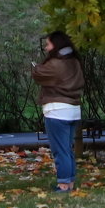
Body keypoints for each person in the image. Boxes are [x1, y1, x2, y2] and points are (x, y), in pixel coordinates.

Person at [31, 31, 85, 193]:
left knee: (60, 150)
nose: (46, 48)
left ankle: (63, 185)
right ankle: (69, 183)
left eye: (48, 44)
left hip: (57, 111)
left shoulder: (55, 64)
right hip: (73, 110)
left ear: (57, 45)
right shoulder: (74, 62)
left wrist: (35, 66)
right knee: (67, 149)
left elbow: (38, 74)